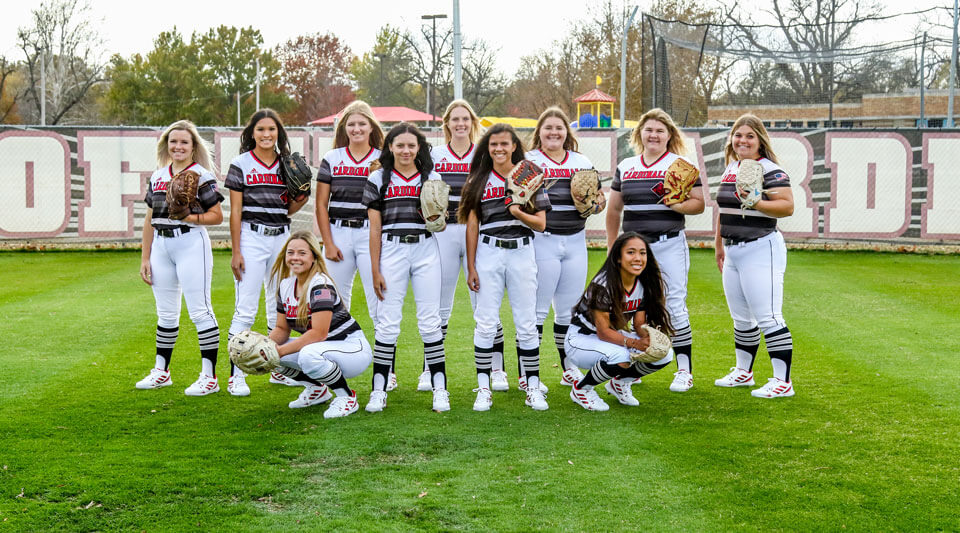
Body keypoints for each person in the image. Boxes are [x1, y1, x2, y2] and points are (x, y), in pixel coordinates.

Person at [605, 108, 704, 393]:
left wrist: (677, 205)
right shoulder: (627, 166)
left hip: (669, 242)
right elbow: (614, 210)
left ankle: (684, 371)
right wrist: (613, 246)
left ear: (669, 135)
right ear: (639, 134)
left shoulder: (680, 164)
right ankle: (630, 369)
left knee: (673, 305)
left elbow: (698, 203)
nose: (654, 134)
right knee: (632, 305)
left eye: (660, 130)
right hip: (634, 248)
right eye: (648, 129)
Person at [418, 99, 510, 393]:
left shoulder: (483, 156)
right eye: (454, 119)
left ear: (473, 123)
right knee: (438, 304)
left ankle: (497, 369)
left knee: (484, 303)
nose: (460, 124)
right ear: (447, 124)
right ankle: (429, 369)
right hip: (444, 231)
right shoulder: (435, 156)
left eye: (465, 119)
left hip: (477, 231)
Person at [459, 123, 551, 412]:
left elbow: (542, 223)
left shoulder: (529, 176)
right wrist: (471, 265)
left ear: (514, 146)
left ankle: (533, 387)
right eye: (493, 144)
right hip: (489, 252)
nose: (499, 149)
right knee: (485, 322)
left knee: (526, 323)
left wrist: (517, 211)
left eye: (504, 144)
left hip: (522, 252)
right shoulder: (478, 179)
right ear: (487, 148)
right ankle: (484, 388)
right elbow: (472, 224)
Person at [361, 123, 449, 413]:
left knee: (429, 321)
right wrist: (375, 269)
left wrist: (440, 216)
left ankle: (440, 389)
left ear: (419, 148)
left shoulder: (432, 176)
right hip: (392, 249)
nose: (406, 150)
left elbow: (439, 222)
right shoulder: (377, 178)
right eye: (400, 145)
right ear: (390, 147)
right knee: (387, 322)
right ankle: (378, 390)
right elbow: (374, 230)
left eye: (412, 146)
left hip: (425, 248)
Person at [225, 109, 310, 396]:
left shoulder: (285, 165)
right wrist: (236, 250)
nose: (266, 134)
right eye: (260, 129)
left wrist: (302, 197)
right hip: (251, 236)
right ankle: (236, 375)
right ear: (252, 133)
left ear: (278, 133)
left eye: (271, 129)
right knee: (245, 309)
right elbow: (235, 212)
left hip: (280, 238)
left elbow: (287, 208)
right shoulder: (241, 164)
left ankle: (277, 369)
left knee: (280, 307)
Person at [136, 120, 224, 395]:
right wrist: (145, 257)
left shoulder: (201, 175)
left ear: (193, 146)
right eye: (173, 141)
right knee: (165, 313)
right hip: (162, 244)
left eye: (184, 142)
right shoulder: (159, 175)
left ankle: (209, 377)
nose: (178, 146)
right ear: (166, 145)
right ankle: (162, 372)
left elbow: (217, 216)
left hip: (190, 242)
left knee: (200, 310)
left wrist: (190, 216)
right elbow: (150, 218)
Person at [714, 114, 796, 398]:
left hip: (761, 247)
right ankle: (743, 372)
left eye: (749, 136)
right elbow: (723, 209)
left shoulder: (770, 169)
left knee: (769, 316)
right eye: (738, 135)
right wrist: (719, 244)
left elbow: (787, 206)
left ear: (760, 139)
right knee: (741, 318)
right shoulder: (732, 168)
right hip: (734, 250)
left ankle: (782, 381)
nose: (743, 140)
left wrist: (758, 202)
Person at [525, 106, 604, 388]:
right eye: (548, 128)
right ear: (539, 133)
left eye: (559, 128)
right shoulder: (528, 159)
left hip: (575, 241)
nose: (554, 132)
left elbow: (599, 198)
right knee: (536, 311)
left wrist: (595, 204)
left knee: (568, 311)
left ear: (566, 133)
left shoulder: (581, 159)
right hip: (541, 241)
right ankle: (527, 373)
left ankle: (568, 367)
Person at [315, 101, 392, 388]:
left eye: (362, 123)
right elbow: (321, 205)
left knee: (380, 303)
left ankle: (387, 370)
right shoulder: (333, 157)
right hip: (339, 234)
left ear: (372, 127)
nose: (357, 128)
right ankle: (330, 366)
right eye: (351, 124)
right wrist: (329, 241)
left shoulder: (385, 158)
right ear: (343, 128)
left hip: (373, 234)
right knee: (331, 305)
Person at [266, 231, 372, 417]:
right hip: (323, 348)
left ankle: (347, 397)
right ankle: (316, 390)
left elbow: (318, 334)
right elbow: (282, 329)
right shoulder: (285, 285)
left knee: (305, 354)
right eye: (290, 253)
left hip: (352, 349)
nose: (295, 258)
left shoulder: (321, 286)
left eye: (302, 253)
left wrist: (278, 351)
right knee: (269, 354)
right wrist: (264, 348)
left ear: (314, 257)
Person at [564, 232, 675, 410]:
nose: (638, 258)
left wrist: (648, 339)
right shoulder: (603, 285)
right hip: (580, 340)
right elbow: (603, 332)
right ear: (618, 258)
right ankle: (581, 388)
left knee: (664, 353)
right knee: (621, 356)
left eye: (642, 252)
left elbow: (638, 324)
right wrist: (635, 343)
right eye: (631, 252)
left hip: (610, 337)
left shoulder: (643, 283)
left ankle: (620, 382)